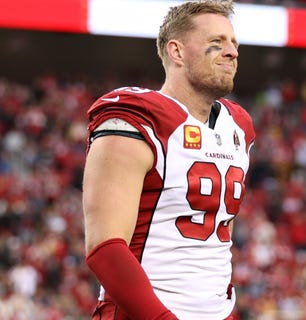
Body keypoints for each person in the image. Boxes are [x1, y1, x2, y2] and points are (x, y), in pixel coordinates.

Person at [81, 1, 255, 319]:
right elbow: (104, 249)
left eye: (234, 44)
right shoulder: (136, 118)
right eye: (216, 44)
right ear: (176, 52)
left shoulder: (239, 126)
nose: (232, 52)